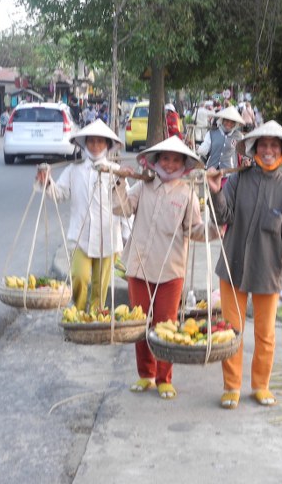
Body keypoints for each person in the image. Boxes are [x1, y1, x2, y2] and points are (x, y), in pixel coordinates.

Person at [206, 121, 282, 410]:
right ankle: (232, 386)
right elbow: (223, 215)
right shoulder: (238, 180)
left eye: (274, 146)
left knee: (265, 334)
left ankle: (261, 385)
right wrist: (216, 191)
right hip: (232, 266)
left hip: (267, 272)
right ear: (253, 148)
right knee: (231, 332)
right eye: (262, 145)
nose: (267, 150)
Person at [112, 136, 217, 400]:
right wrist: (120, 181)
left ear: (184, 164)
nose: (170, 165)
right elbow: (120, 208)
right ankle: (145, 374)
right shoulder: (143, 187)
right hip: (140, 267)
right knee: (141, 324)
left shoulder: (187, 194)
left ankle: (164, 378)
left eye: (176, 160)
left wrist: (216, 230)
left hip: (171, 271)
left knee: (165, 325)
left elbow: (193, 229)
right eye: (165, 159)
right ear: (156, 161)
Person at [35, 119, 125, 313]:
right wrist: (47, 182)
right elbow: (60, 194)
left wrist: (127, 233)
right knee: (79, 276)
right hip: (80, 236)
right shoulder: (73, 170)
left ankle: (94, 317)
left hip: (108, 236)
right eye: (91, 141)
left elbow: (124, 204)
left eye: (100, 142)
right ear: (84, 144)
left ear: (107, 145)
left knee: (101, 284)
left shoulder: (116, 172)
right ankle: (78, 311)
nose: (95, 146)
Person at [197, 106, 246, 176]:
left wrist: (246, 159)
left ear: (235, 124)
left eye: (232, 122)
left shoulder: (239, 136)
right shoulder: (211, 133)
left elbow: (245, 150)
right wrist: (196, 148)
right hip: (211, 172)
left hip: (229, 173)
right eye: (227, 120)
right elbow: (204, 150)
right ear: (222, 120)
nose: (229, 124)